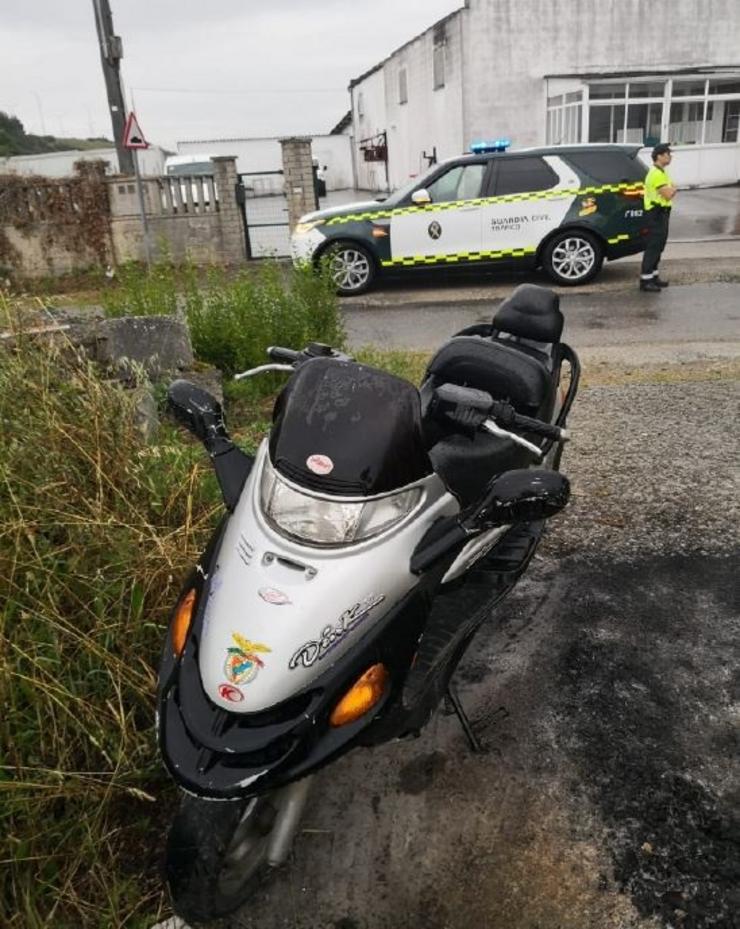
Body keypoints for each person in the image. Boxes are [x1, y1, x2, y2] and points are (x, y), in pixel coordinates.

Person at [640, 143, 677, 293]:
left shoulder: (662, 172)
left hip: (662, 213)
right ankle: (645, 281)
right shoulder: (655, 174)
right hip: (656, 214)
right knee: (653, 247)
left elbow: (671, 189)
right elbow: (668, 193)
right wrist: (673, 189)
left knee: (659, 246)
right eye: (667, 154)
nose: (670, 156)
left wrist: (672, 189)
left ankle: (653, 277)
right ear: (659, 156)